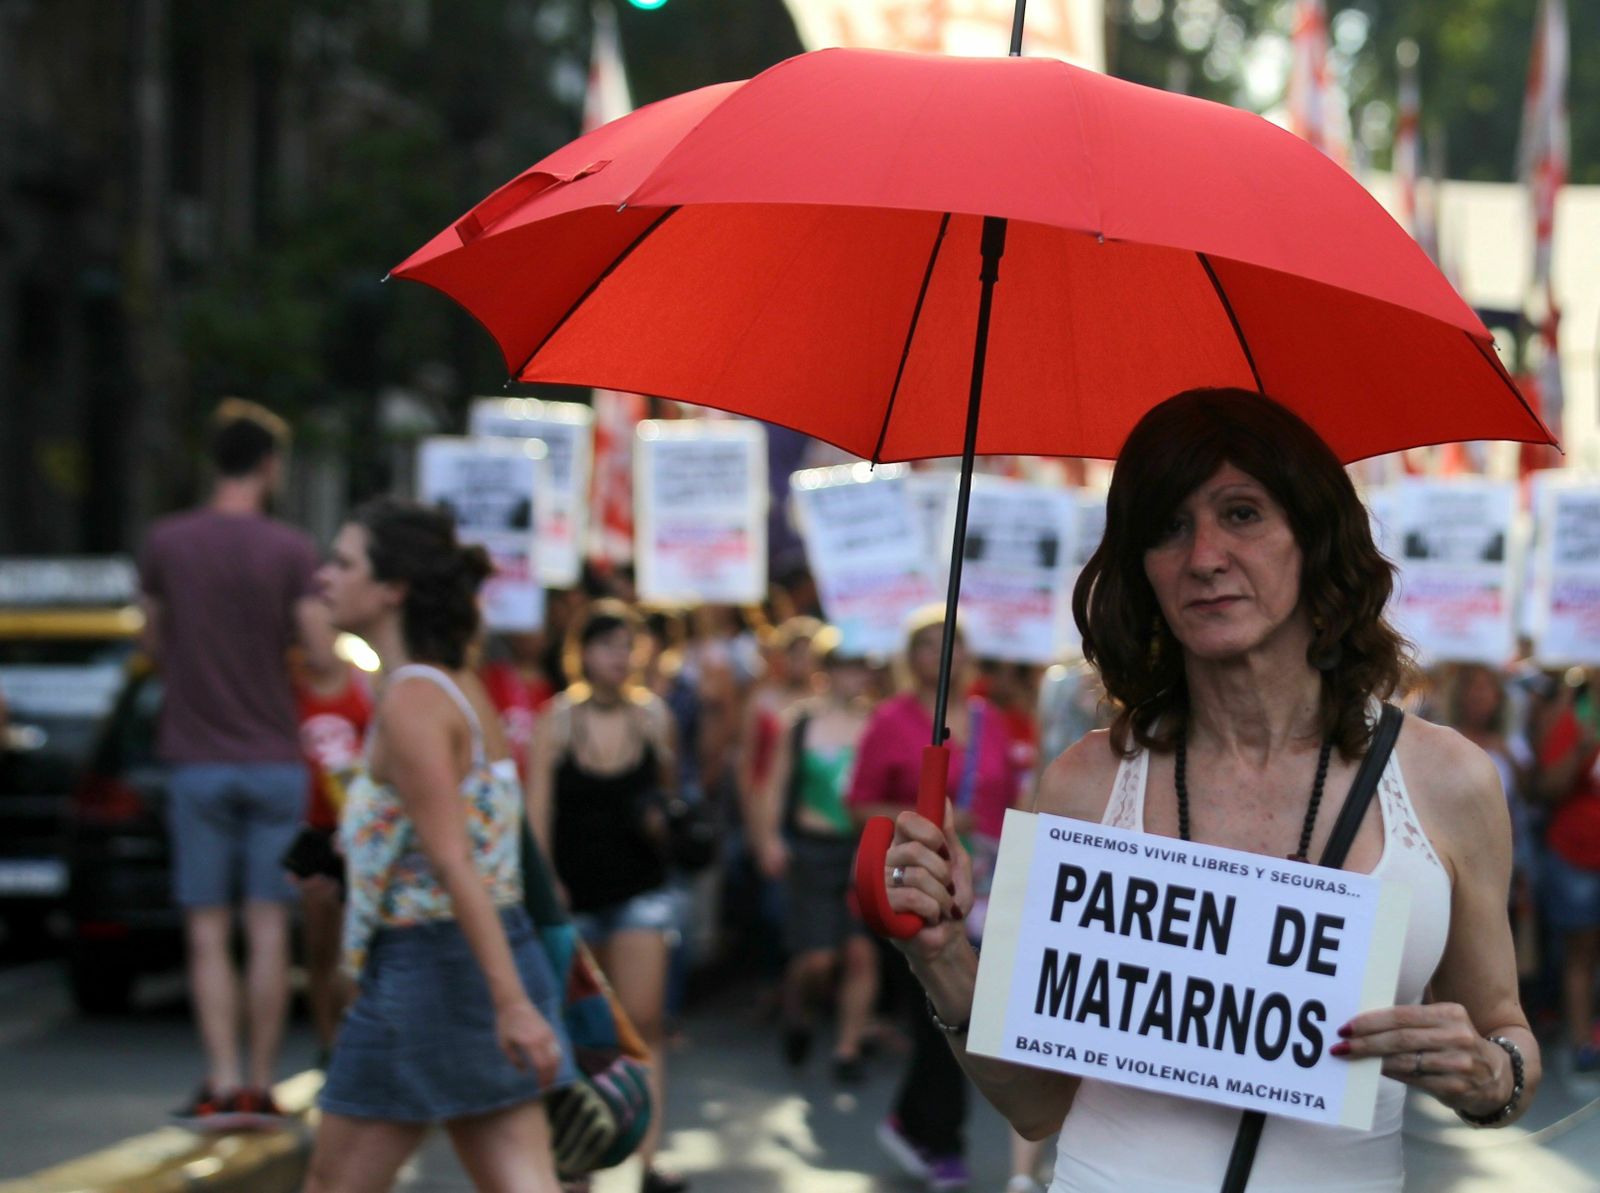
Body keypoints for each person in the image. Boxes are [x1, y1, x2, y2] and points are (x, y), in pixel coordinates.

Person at [881, 388, 1541, 1192]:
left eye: (1242, 513)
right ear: (1141, 569)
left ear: (1314, 534)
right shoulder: (1087, 786)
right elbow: (1035, 1102)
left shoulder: (1447, 781)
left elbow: (1504, 1029)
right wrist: (945, 956)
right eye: (1168, 527)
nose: (1203, 557)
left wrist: (1492, 1073)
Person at [305, 497, 573, 1193]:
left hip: (430, 963)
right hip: (481, 953)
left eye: (343, 562)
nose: (324, 576)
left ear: (393, 589)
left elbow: (454, 860)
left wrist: (513, 1003)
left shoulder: (413, 702)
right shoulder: (456, 687)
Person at [138, 398, 322, 1127]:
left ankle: (217, 1078)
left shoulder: (167, 542)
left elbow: (150, 641)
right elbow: (317, 650)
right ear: (270, 465)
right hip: (275, 756)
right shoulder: (290, 549)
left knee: (208, 926)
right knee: (269, 925)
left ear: (214, 459)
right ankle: (262, 1082)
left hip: (196, 757)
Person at [848, 607, 1020, 1193]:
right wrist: (923, 821)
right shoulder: (891, 720)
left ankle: (914, 1122)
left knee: (971, 1012)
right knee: (946, 1013)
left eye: (954, 644)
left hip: (990, 887)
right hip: (920, 886)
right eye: (927, 644)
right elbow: (859, 805)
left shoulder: (990, 719)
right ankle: (941, 1142)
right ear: (911, 656)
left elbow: (1015, 797)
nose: (944, 655)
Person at [528, 600, 686, 1193]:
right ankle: (578, 1156)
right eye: (607, 645)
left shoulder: (656, 719)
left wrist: (667, 825)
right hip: (574, 893)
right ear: (583, 652)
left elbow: (669, 805)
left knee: (644, 1022)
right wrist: (546, 885)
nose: (618, 657)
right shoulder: (556, 720)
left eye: (628, 645)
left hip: (639, 891)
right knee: (575, 1032)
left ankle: (649, 1157)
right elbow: (537, 810)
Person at [751, 625, 878, 1083]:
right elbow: (775, 783)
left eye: (860, 667)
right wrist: (769, 839)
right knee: (818, 958)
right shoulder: (801, 721)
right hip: (813, 849)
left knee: (861, 952)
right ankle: (799, 1010)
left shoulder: (877, 723)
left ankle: (847, 1048)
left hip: (863, 847)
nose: (853, 677)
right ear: (828, 671)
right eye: (844, 666)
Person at [291, 599, 373, 1066]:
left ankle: (354, 1038)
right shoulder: (291, 689)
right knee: (318, 944)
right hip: (312, 828)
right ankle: (328, 1044)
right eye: (307, 634)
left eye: (322, 631)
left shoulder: (363, 683)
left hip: (356, 827)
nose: (315, 644)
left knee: (353, 943)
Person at [1532, 667, 1600, 1079]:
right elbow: (1548, 788)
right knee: (1581, 955)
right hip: (1579, 856)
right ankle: (1581, 1046)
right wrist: (1581, 749)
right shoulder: (1572, 719)